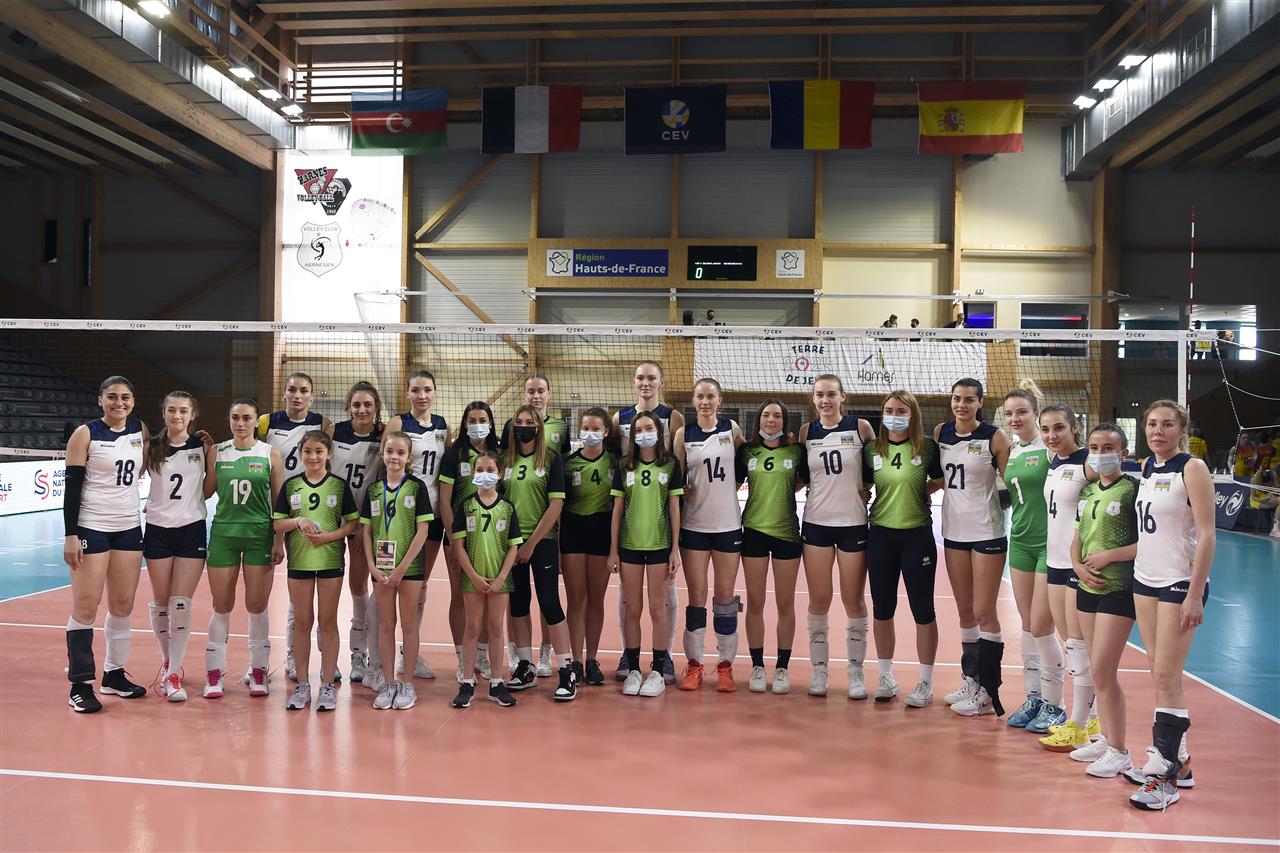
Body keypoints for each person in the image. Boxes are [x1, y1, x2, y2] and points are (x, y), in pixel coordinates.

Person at [1125, 400, 1216, 811]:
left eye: (1166, 424)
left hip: (1179, 582)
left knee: (1165, 674)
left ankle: (1164, 776)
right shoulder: (1147, 467)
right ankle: (1179, 760)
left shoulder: (1192, 468)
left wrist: (1195, 593)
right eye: (1151, 424)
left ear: (1182, 430)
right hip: (1145, 579)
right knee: (1158, 671)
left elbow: (1208, 535)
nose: (1157, 431)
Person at [63, 376, 149, 712]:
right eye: (112, 397)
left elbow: (152, 461)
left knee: (123, 604)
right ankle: (80, 684)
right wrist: (71, 535)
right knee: (86, 605)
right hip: (92, 525)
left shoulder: (140, 430)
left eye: (125, 397)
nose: (119, 403)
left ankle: (114, 674)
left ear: (133, 401)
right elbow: (72, 489)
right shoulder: (85, 434)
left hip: (128, 526)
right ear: (100, 400)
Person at [935, 378, 1012, 717]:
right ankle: (971, 679)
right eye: (957, 399)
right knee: (965, 611)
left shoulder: (995, 437)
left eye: (969, 399)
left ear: (980, 403)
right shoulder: (941, 432)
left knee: (984, 611)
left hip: (986, 532)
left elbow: (1012, 484)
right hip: (954, 532)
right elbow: (941, 478)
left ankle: (988, 692)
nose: (961, 405)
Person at [1067, 423, 1139, 778]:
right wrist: (1078, 567)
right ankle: (1107, 738)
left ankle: (1120, 751)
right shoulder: (1088, 491)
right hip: (1088, 587)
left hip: (1118, 587)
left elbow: (1148, 541)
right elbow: (1078, 538)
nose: (1100, 453)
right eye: (1094, 447)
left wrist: (1111, 556)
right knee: (1096, 667)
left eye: (1108, 447)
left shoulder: (1132, 490)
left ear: (1123, 453)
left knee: (1103, 669)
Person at [864, 390, 944, 707]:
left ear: (913, 414)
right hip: (880, 535)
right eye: (889, 410)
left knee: (923, 610)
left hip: (916, 536)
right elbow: (863, 486)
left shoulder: (927, 447)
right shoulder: (872, 449)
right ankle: (885, 677)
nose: (894, 415)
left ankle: (925, 682)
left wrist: (926, 490)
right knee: (882, 610)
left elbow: (941, 479)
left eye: (901, 410)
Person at [799, 374, 876, 699]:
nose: (825, 400)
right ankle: (819, 671)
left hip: (853, 524)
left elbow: (874, 470)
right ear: (813, 398)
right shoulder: (806, 432)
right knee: (819, 599)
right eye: (819, 395)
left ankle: (856, 673)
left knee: (853, 600)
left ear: (843, 396)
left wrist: (867, 491)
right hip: (816, 522)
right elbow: (802, 477)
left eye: (831, 394)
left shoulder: (861, 428)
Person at [204, 399, 285, 699]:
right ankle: (214, 674)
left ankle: (259, 670)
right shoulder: (218, 451)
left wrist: (278, 541)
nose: (240, 423)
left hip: (259, 534)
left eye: (246, 418)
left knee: (256, 604)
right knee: (221, 604)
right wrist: (200, 456)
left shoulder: (269, 453)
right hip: (224, 533)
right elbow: (205, 491)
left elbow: (279, 503)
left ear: (256, 421)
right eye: (235, 417)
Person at [273, 431, 359, 711]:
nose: (313, 457)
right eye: (308, 451)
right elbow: (278, 524)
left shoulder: (338, 485)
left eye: (319, 451)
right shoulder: (291, 485)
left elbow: (352, 523)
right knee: (302, 621)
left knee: (327, 621)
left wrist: (329, 537)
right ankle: (302, 684)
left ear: (329, 454)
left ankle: (327, 684)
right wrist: (298, 521)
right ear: (300, 453)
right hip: (299, 562)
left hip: (330, 561)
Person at [257, 372, 333, 684]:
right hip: (276, 510)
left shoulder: (323, 424)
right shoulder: (266, 423)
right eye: (292, 390)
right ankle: (288, 655)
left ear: (312, 396)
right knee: (292, 590)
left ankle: (327, 658)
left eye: (303, 391)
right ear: (284, 393)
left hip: (311, 509)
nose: (297, 396)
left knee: (318, 588)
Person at [1030, 405, 1099, 748]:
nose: (1051, 435)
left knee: (1079, 647)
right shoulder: (1053, 461)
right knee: (1070, 644)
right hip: (1055, 563)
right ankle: (1090, 719)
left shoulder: (1088, 463)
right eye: (1045, 429)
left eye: (1059, 428)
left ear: (1074, 427)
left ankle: (1081, 723)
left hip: (1077, 565)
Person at [612, 361, 684, 683]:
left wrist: (675, 547)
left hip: (659, 522)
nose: (645, 383)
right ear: (633, 381)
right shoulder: (620, 419)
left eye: (651, 377)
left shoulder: (673, 417)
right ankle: (628, 656)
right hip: (630, 520)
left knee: (663, 600)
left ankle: (662, 658)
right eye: (640, 377)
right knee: (629, 601)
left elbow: (679, 459)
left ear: (661, 382)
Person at [142, 391, 214, 702]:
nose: (177, 416)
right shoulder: (151, 447)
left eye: (183, 411)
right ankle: (166, 662)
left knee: (180, 603)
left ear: (193, 414)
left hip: (190, 529)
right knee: (161, 602)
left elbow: (207, 491)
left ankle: (174, 673)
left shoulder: (203, 447)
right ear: (164, 413)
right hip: (158, 530)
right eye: (171, 410)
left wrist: (209, 452)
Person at [674, 377, 745, 692]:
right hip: (695, 525)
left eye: (710, 396)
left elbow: (745, 463)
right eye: (700, 397)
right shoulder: (684, 434)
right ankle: (695, 665)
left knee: (725, 597)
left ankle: (726, 666)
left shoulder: (732, 429)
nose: (705, 402)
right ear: (693, 401)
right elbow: (676, 476)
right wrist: (683, 488)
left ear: (719, 400)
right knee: (697, 597)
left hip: (728, 524)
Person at [502, 405, 577, 701]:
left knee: (549, 602)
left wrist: (531, 543)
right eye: (519, 422)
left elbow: (556, 505)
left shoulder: (551, 459)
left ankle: (567, 669)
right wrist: (514, 544)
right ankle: (525, 666)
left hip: (541, 541)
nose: (524, 426)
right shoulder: (505, 459)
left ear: (539, 427)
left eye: (530, 422)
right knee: (518, 604)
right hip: (511, 543)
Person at [360, 431, 433, 711]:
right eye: (390, 451)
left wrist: (402, 568)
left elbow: (423, 530)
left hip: (409, 568)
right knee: (386, 625)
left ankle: (408, 684)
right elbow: (367, 532)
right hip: (381, 569)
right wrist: (371, 566)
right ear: (382, 454)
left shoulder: (417, 488)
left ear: (409, 457)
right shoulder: (373, 490)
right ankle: (389, 683)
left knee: (409, 625)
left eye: (401, 453)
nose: (394, 457)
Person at [385, 371, 451, 682]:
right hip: (399, 512)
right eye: (415, 390)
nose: (421, 395)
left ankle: (408, 652)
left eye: (427, 389)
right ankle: (378, 653)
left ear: (435, 392)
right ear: (408, 393)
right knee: (387, 581)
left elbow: (445, 468)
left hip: (431, 513)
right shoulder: (398, 423)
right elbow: (385, 463)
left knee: (419, 583)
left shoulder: (442, 426)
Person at [736, 399, 803, 694]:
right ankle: (758, 666)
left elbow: (806, 480)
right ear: (759, 420)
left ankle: (782, 668)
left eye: (777, 415)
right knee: (755, 602)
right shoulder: (747, 452)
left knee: (785, 604)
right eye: (766, 415)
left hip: (786, 533)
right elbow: (729, 483)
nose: (771, 420)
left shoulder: (796, 452)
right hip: (753, 532)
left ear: (784, 421)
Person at [1000, 381, 1052, 728]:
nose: (1015, 419)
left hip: (1049, 544)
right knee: (1028, 624)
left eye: (1022, 412)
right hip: (1019, 541)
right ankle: (1034, 698)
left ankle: (1053, 703)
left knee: (1044, 625)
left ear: (1036, 414)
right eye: (1009, 414)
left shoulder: (1049, 448)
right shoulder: (1013, 450)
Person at [451, 452, 521, 709]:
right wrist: (473, 575)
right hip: (473, 579)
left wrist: (501, 577)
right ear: (473, 473)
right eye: (479, 469)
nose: (484, 474)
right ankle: (467, 682)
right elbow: (458, 547)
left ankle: (497, 683)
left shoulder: (507, 507)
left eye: (490, 469)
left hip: (500, 580)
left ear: (500, 473)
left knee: (496, 629)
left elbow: (513, 547)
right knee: (472, 628)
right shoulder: (466, 505)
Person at [438, 401, 500, 681]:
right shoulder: (454, 454)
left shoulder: (499, 453)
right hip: (459, 538)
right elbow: (444, 499)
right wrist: (454, 539)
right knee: (460, 597)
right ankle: (464, 659)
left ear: (490, 422)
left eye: (482, 420)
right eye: (472, 420)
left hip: (491, 538)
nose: (477, 425)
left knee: (488, 595)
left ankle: (482, 657)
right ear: (464, 423)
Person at [560, 408, 620, 686]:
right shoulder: (568, 463)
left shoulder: (616, 463)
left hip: (601, 531)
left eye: (596, 428)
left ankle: (592, 659)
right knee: (576, 600)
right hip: (573, 531)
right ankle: (575, 660)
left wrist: (615, 548)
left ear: (606, 432)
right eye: (586, 428)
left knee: (596, 599)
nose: (590, 433)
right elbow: (559, 507)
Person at [330, 382, 384, 686]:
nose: (362, 410)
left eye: (367, 405)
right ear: (348, 407)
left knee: (358, 586)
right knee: (326, 585)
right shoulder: (333, 432)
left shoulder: (382, 435)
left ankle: (358, 654)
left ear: (376, 408)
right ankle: (322, 656)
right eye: (356, 405)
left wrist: (366, 525)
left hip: (363, 521)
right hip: (332, 518)